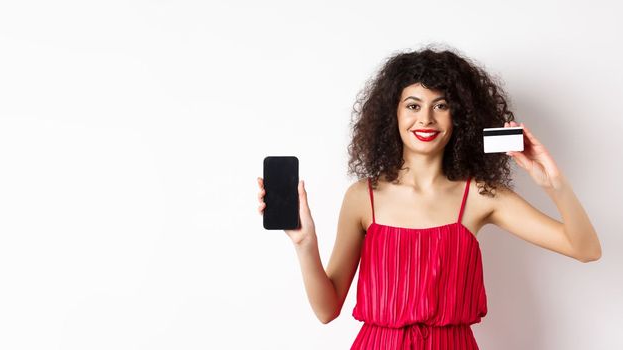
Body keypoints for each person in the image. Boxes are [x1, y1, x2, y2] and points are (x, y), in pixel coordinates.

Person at [256, 46, 602, 349]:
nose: (426, 118)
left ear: (460, 117)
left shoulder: (482, 195)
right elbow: (326, 310)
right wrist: (305, 243)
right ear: (392, 114)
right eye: (413, 105)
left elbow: (585, 249)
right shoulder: (364, 197)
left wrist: (552, 182)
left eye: (441, 105)